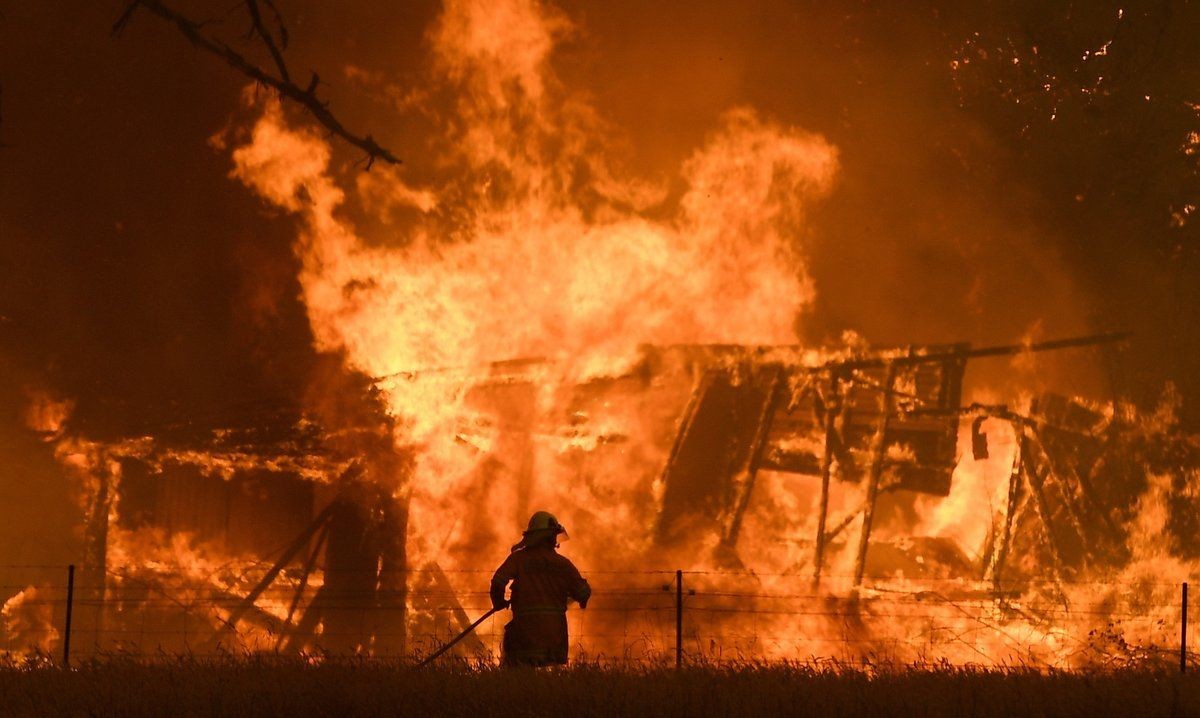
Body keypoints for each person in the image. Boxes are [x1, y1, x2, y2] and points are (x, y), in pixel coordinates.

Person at [490, 511, 591, 667]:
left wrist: (498, 602)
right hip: (554, 637)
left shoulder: (519, 559)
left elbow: (498, 582)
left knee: (519, 682)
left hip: (525, 635)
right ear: (550, 537)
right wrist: (580, 597)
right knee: (547, 687)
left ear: (531, 536)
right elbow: (582, 592)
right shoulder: (563, 564)